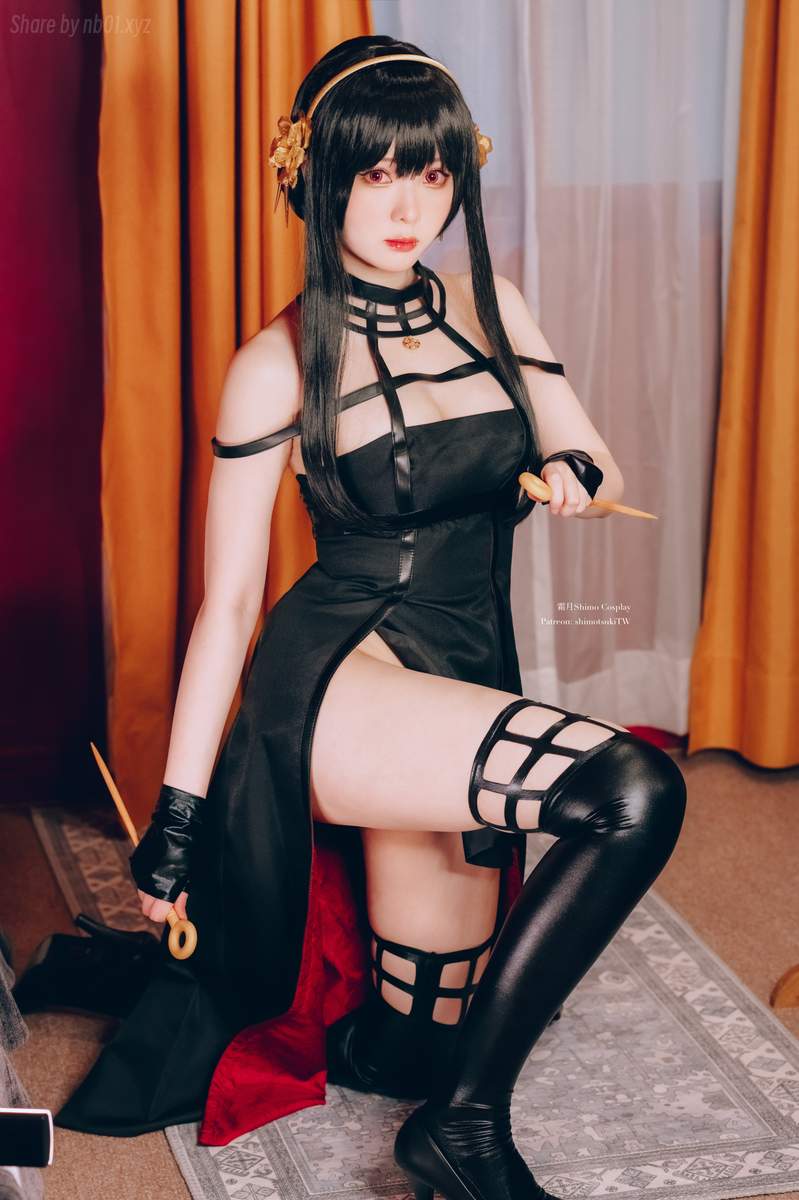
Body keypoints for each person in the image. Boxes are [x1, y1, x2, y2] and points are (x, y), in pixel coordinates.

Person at [56, 34, 687, 1199]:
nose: (408, 208)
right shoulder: (275, 362)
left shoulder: (493, 306)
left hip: (459, 661)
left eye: (433, 175)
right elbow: (227, 605)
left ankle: (417, 1076)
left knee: (416, 1039)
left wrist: (575, 475)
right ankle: (464, 1133)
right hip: (339, 676)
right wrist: (178, 820)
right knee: (633, 791)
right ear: (318, 176)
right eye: (377, 174)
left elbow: (583, 446)